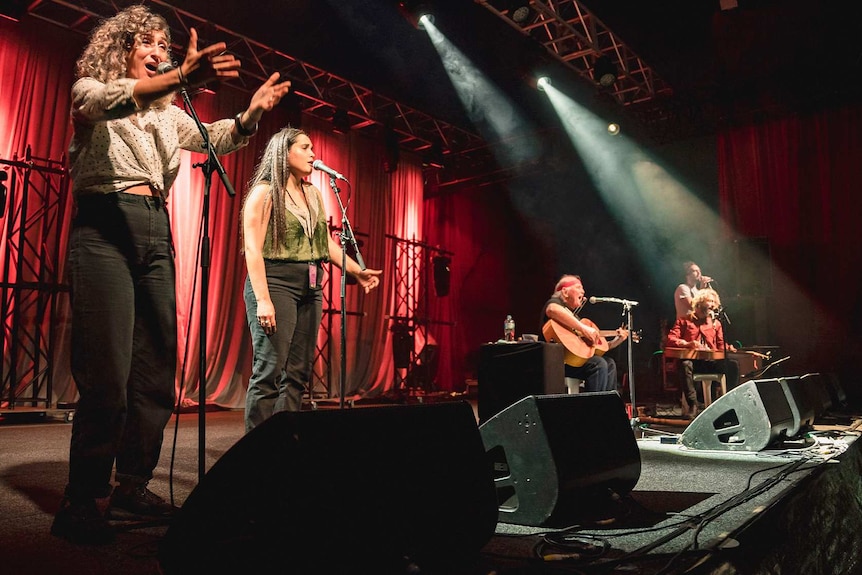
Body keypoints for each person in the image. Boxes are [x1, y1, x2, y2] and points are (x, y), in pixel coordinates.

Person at [51, 5, 291, 545]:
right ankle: (82, 498)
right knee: (107, 374)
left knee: (157, 368)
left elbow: (215, 137)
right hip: (105, 227)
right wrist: (180, 75)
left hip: (157, 231)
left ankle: (132, 482)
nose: (160, 51)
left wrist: (251, 114)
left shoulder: (167, 113)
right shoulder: (91, 88)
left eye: (165, 45)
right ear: (122, 49)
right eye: (150, 45)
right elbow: (105, 101)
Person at [241, 127, 382, 432]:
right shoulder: (265, 192)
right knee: (269, 370)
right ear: (284, 152)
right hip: (275, 283)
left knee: (298, 373)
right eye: (305, 148)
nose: (313, 154)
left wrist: (356, 270)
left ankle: (284, 439)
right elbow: (252, 248)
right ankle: (255, 449)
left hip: (310, 286)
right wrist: (263, 299)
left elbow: (323, 243)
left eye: (312, 148)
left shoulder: (313, 193)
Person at [541, 275, 628, 392]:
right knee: (598, 363)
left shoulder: (574, 318)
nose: (583, 291)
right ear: (565, 292)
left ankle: (607, 406)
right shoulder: (556, 303)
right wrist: (583, 329)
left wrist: (616, 341)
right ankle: (592, 408)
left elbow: (595, 348)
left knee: (610, 363)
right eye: (578, 287)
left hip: (573, 361)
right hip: (556, 362)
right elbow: (552, 309)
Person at [666, 288, 739, 415]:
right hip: (693, 363)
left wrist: (728, 348)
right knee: (684, 364)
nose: (711, 305)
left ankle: (728, 402)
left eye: (713, 302)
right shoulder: (684, 321)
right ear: (699, 303)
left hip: (710, 362)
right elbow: (671, 339)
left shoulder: (716, 324)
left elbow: (720, 345)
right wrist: (688, 343)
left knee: (732, 365)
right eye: (708, 301)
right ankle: (692, 404)